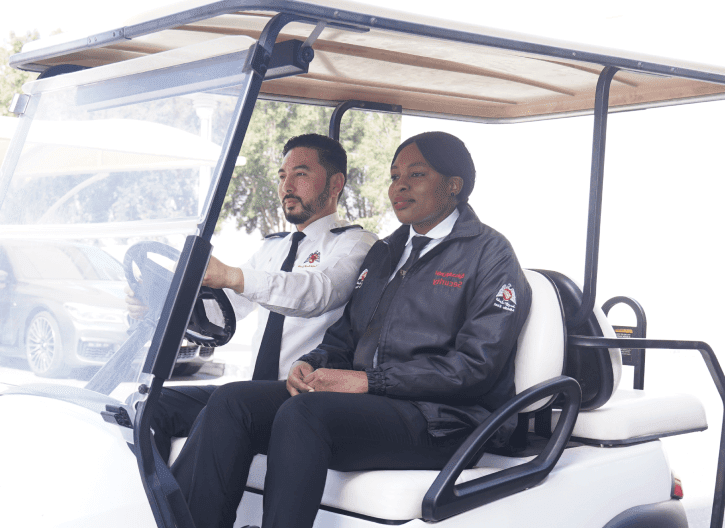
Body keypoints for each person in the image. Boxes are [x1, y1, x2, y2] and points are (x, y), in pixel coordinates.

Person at [171, 131, 530, 528]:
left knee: (303, 415)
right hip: (378, 405)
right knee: (232, 402)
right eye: (394, 176)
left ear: (454, 185)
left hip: (442, 421)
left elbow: (476, 366)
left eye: (416, 174)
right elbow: (346, 336)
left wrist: (369, 382)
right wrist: (310, 362)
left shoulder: (490, 254)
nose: (400, 186)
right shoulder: (387, 252)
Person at [149, 133, 378, 461]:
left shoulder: (354, 244)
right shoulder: (272, 247)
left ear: (335, 183)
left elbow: (316, 292)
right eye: (283, 176)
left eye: (300, 174)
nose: (287, 186)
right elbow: (226, 311)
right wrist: (154, 304)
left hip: (306, 396)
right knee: (149, 406)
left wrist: (232, 276)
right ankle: (157, 504)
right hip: (255, 391)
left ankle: (188, 511)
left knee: (231, 401)